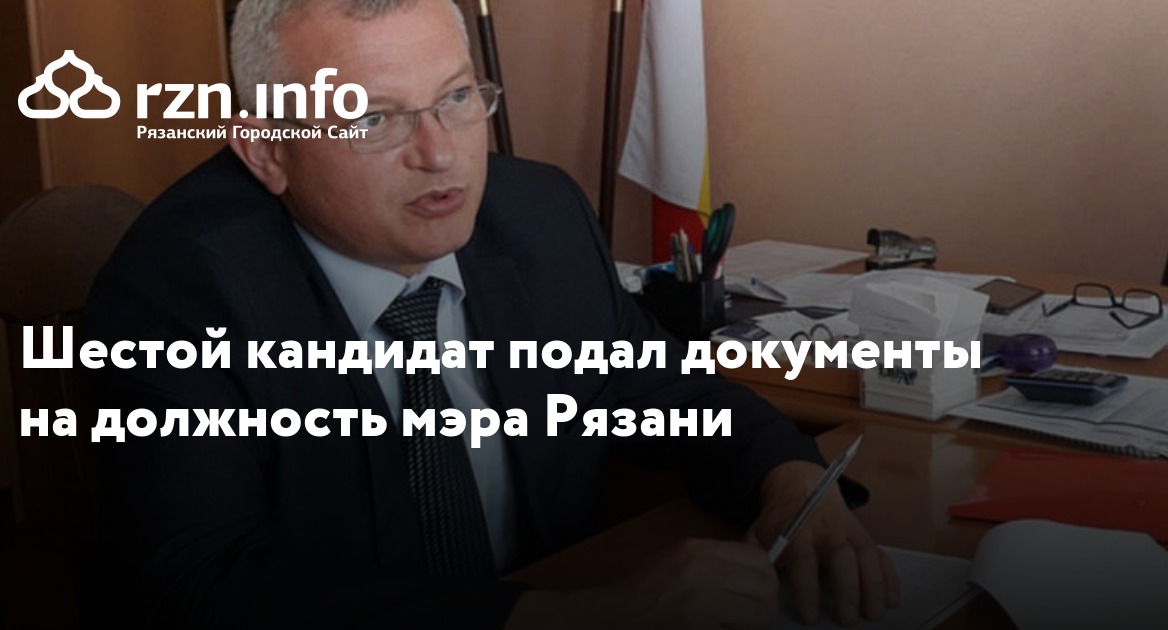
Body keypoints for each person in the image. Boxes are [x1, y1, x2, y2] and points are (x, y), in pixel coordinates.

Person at [84, 0, 899, 627]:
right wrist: (579, 619)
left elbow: (665, 391)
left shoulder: (538, 216)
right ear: (266, 150)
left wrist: (792, 482)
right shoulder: (178, 289)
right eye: (372, 118)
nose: (440, 154)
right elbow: (206, 580)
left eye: (456, 97)